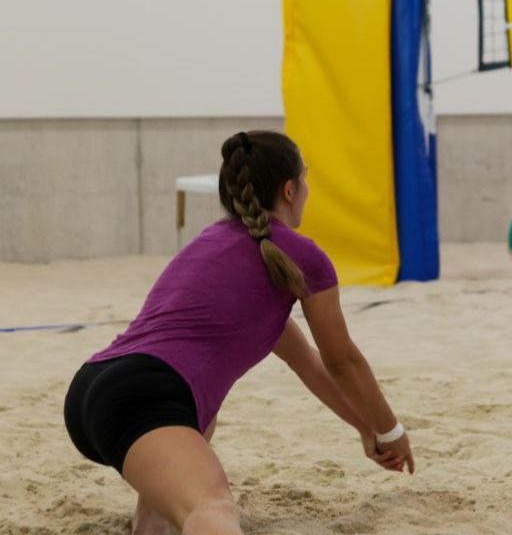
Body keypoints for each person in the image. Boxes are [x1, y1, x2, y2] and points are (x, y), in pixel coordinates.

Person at [63, 130, 414, 535]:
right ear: (289, 190)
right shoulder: (303, 255)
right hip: (143, 397)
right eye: (305, 178)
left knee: (199, 420)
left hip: (92, 389)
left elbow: (307, 362)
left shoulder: (213, 242)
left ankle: (153, 522)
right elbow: (343, 361)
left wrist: (366, 429)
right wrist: (391, 429)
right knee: (212, 507)